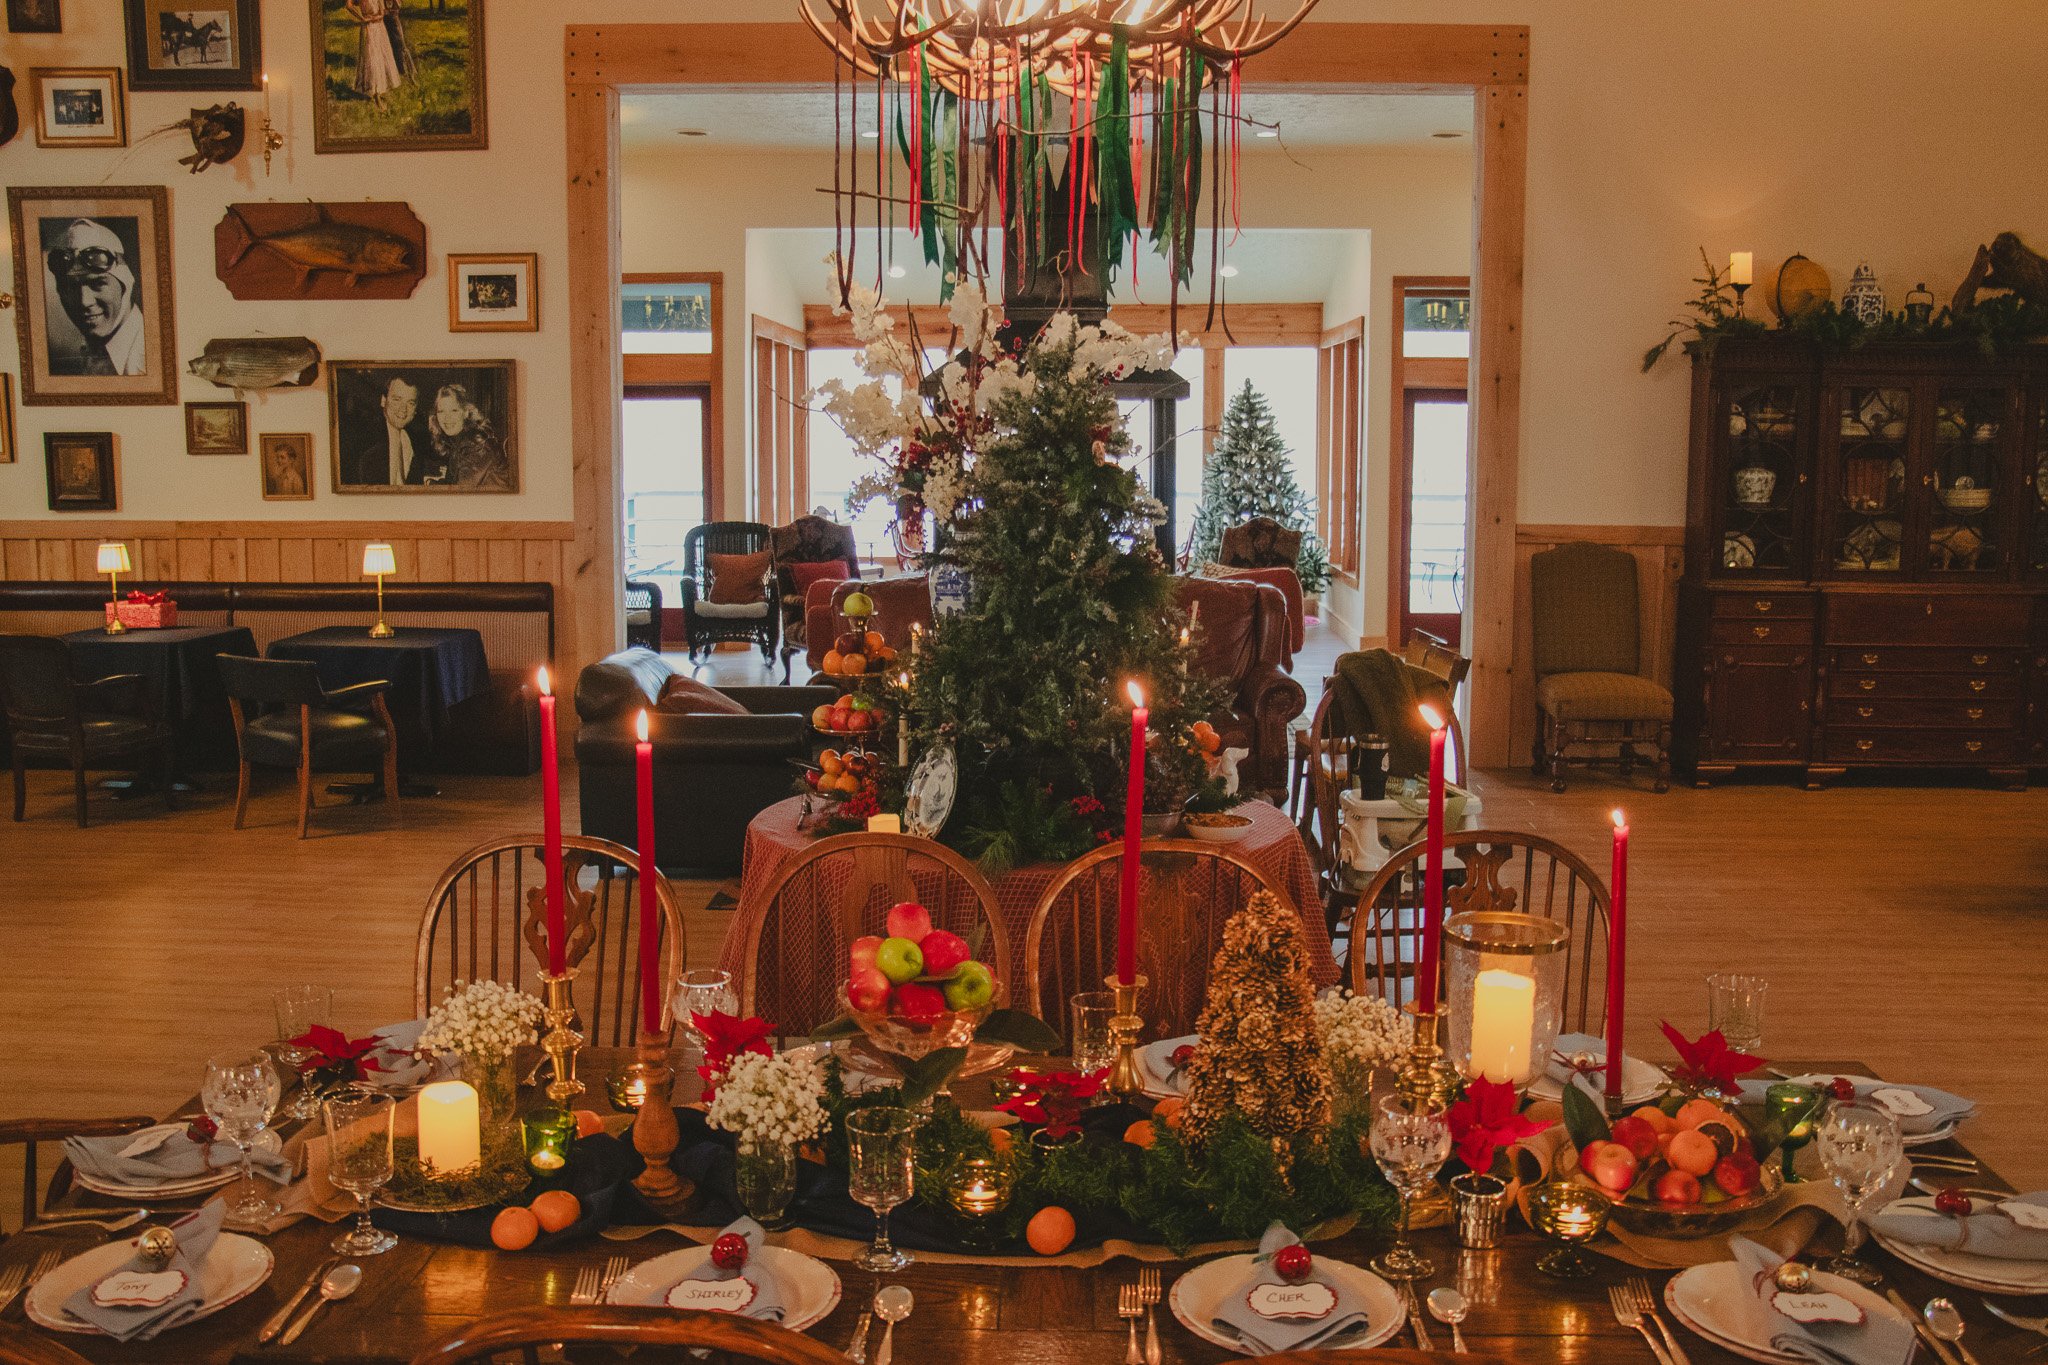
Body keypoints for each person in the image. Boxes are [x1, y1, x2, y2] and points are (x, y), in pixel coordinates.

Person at [44, 219, 145, 377]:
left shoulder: (144, 359)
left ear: (124, 286)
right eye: (71, 287)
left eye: (98, 283)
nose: (84, 301)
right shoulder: (90, 353)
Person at [342, 375, 442, 487]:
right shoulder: (362, 438)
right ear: (383, 401)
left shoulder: (417, 441)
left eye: (410, 403)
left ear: (415, 410)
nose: (403, 409)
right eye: (397, 400)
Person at [429, 383, 513, 490]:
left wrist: (430, 484)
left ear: (465, 413)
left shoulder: (478, 446)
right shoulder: (457, 443)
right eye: (441, 411)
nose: (446, 418)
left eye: (454, 410)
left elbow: (459, 493)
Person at [348, 0, 414, 107]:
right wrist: (362, 18)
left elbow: (382, 12)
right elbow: (349, 5)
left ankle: (380, 90)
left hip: (379, 27)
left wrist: (373, 18)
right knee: (371, 59)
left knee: (381, 59)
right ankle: (375, 94)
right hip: (368, 27)